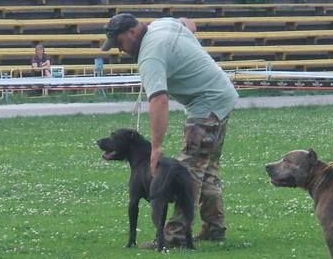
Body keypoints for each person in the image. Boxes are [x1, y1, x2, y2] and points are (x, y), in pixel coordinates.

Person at [101, 13, 239, 246]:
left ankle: (175, 235)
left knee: (187, 171)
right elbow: (189, 23)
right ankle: (214, 228)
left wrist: (155, 147)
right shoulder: (163, 24)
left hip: (206, 105)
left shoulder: (150, 55)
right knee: (207, 168)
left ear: (132, 33)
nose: (120, 50)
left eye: (120, 43)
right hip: (222, 96)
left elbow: (159, 100)